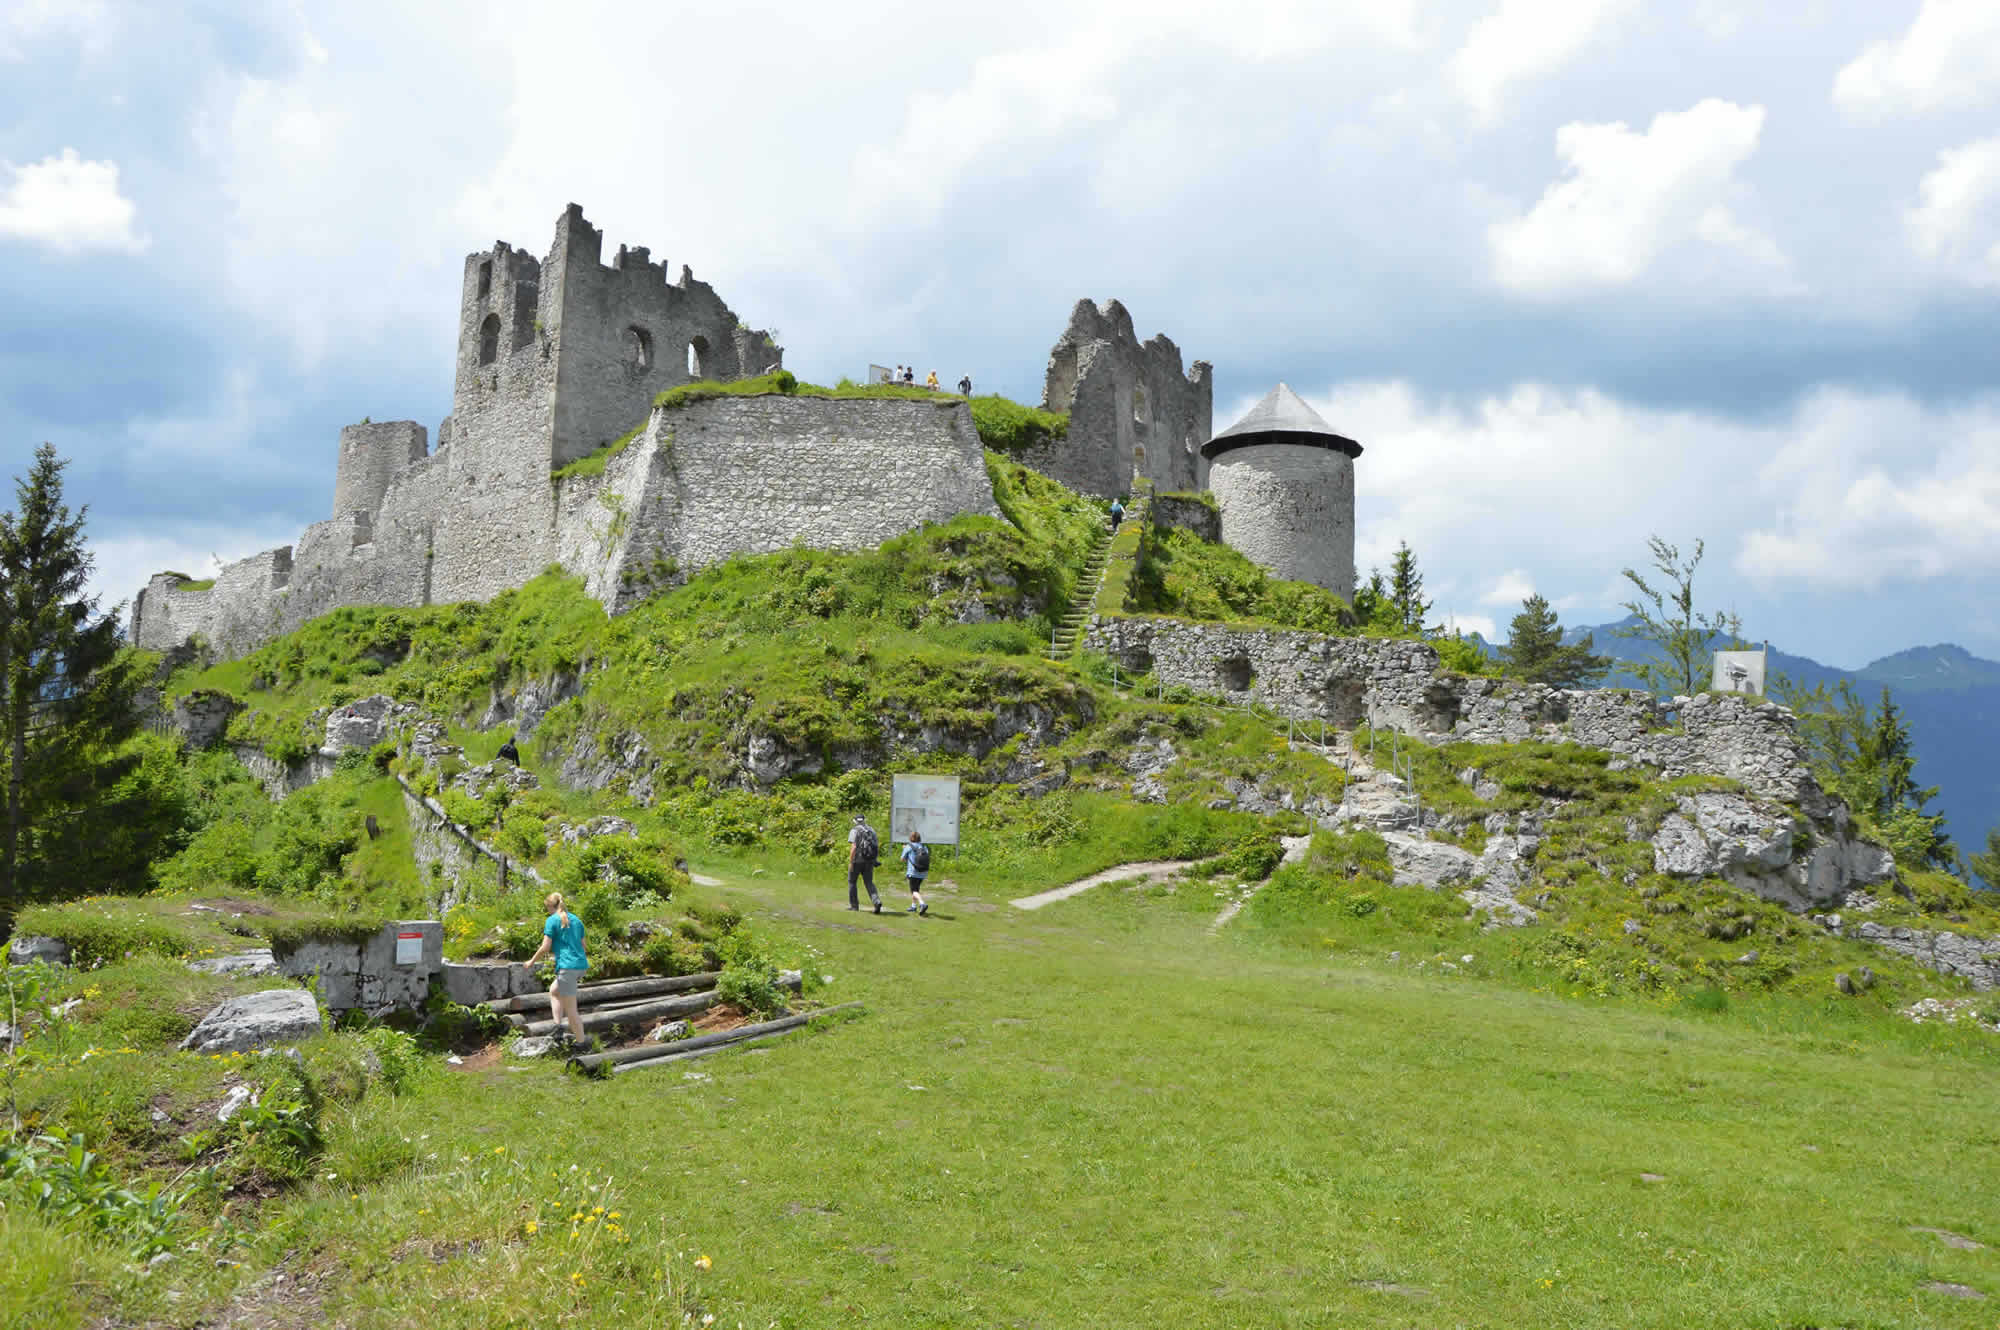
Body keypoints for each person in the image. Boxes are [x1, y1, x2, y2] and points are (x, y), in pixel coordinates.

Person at [524, 891, 588, 1046]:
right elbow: (584, 947)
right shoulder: (577, 920)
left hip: (567, 968)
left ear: (550, 907)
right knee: (554, 991)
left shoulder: (551, 920)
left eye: (547, 908)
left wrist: (531, 962)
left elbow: (545, 947)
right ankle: (558, 1027)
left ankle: (582, 1045)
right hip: (580, 965)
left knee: (571, 1010)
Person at [847, 814, 883, 913]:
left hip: (857, 860)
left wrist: (851, 861)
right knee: (869, 882)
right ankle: (876, 901)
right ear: (864, 820)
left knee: (852, 882)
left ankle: (854, 906)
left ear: (855, 821)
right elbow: (876, 845)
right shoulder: (871, 830)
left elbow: (854, 847)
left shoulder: (854, 831)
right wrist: (874, 859)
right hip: (869, 860)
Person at [900, 830, 931, 915]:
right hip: (923, 872)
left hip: (913, 872)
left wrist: (904, 850)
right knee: (916, 889)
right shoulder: (924, 847)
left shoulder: (908, 847)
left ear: (910, 838)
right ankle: (913, 906)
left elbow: (902, 859)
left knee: (913, 890)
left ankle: (922, 904)